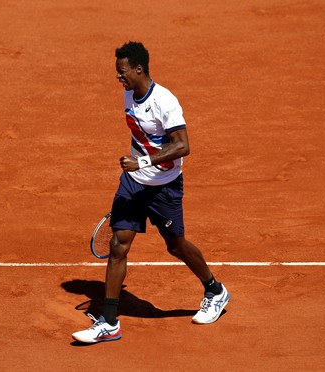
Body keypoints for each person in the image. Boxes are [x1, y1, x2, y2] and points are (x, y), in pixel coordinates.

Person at [72, 41, 230, 343]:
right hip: (134, 183)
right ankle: (109, 321)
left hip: (165, 187)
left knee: (176, 246)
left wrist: (142, 161)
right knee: (119, 244)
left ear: (138, 69)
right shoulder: (128, 95)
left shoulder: (166, 101)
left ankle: (214, 290)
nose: (118, 78)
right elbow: (142, 137)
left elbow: (183, 146)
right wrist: (137, 166)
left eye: (122, 72)